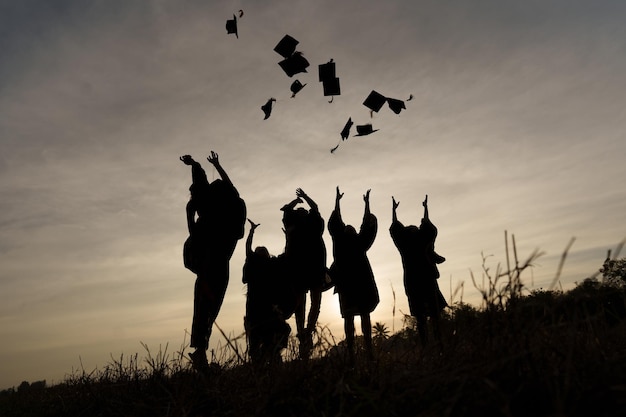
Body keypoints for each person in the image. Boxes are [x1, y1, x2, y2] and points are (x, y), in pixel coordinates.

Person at [180, 152, 247, 370]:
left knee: (204, 308)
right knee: (207, 308)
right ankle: (200, 353)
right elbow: (229, 188)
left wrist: (198, 165)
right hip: (215, 266)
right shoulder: (228, 213)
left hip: (209, 265)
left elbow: (205, 185)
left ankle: (200, 353)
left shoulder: (213, 211)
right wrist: (213, 166)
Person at [328, 187, 379, 361]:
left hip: (361, 285)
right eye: (346, 227)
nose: (349, 228)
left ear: (354, 232)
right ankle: (350, 352)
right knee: (349, 318)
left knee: (364, 316)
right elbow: (336, 222)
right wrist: (337, 201)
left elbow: (367, 225)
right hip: (346, 286)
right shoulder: (340, 244)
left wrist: (367, 204)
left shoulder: (359, 243)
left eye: (351, 228)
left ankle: (369, 349)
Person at [390, 194, 446, 347]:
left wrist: (394, 212)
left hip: (416, 281)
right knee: (431, 316)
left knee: (425, 317)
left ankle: (429, 345)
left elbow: (396, 228)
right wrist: (425, 211)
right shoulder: (416, 242)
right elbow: (428, 228)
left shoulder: (406, 245)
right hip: (424, 280)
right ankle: (435, 345)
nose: (415, 228)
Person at [280, 188, 327, 358]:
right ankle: (302, 332)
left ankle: (308, 330)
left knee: (315, 301)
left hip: (314, 266)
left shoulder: (313, 223)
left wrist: (305, 197)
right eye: (299, 211)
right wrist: (296, 202)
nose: (301, 211)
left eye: (303, 210)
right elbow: (286, 209)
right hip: (298, 268)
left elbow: (315, 207)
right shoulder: (293, 224)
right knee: (299, 303)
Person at [242, 219, 293, 366]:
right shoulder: (253, 265)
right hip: (255, 310)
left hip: (269, 310)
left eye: (263, 250)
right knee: (256, 345)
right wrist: (251, 231)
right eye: (259, 250)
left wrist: (288, 238)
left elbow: (287, 254)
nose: (261, 251)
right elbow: (248, 249)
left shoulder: (272, 265)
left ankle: (271, 356)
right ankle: (262, 362)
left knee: (277, 335)